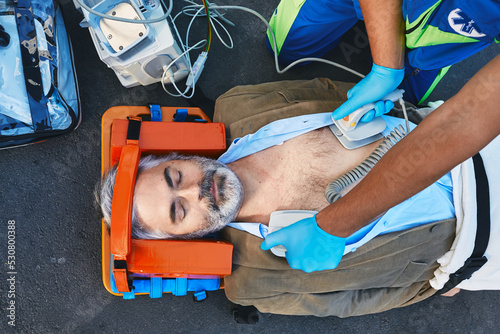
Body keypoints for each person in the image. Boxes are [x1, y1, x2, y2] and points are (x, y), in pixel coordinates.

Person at [98, 77, 499, 316]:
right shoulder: (253, 281)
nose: (194, 189)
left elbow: (325, 90)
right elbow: (353, 302)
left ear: (177, 156)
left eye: (174, 176)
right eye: (179, 209)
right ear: (187, 238)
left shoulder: (240, 106)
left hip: (468, 132)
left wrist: (386, 100)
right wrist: (440, 282)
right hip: (483, 241)